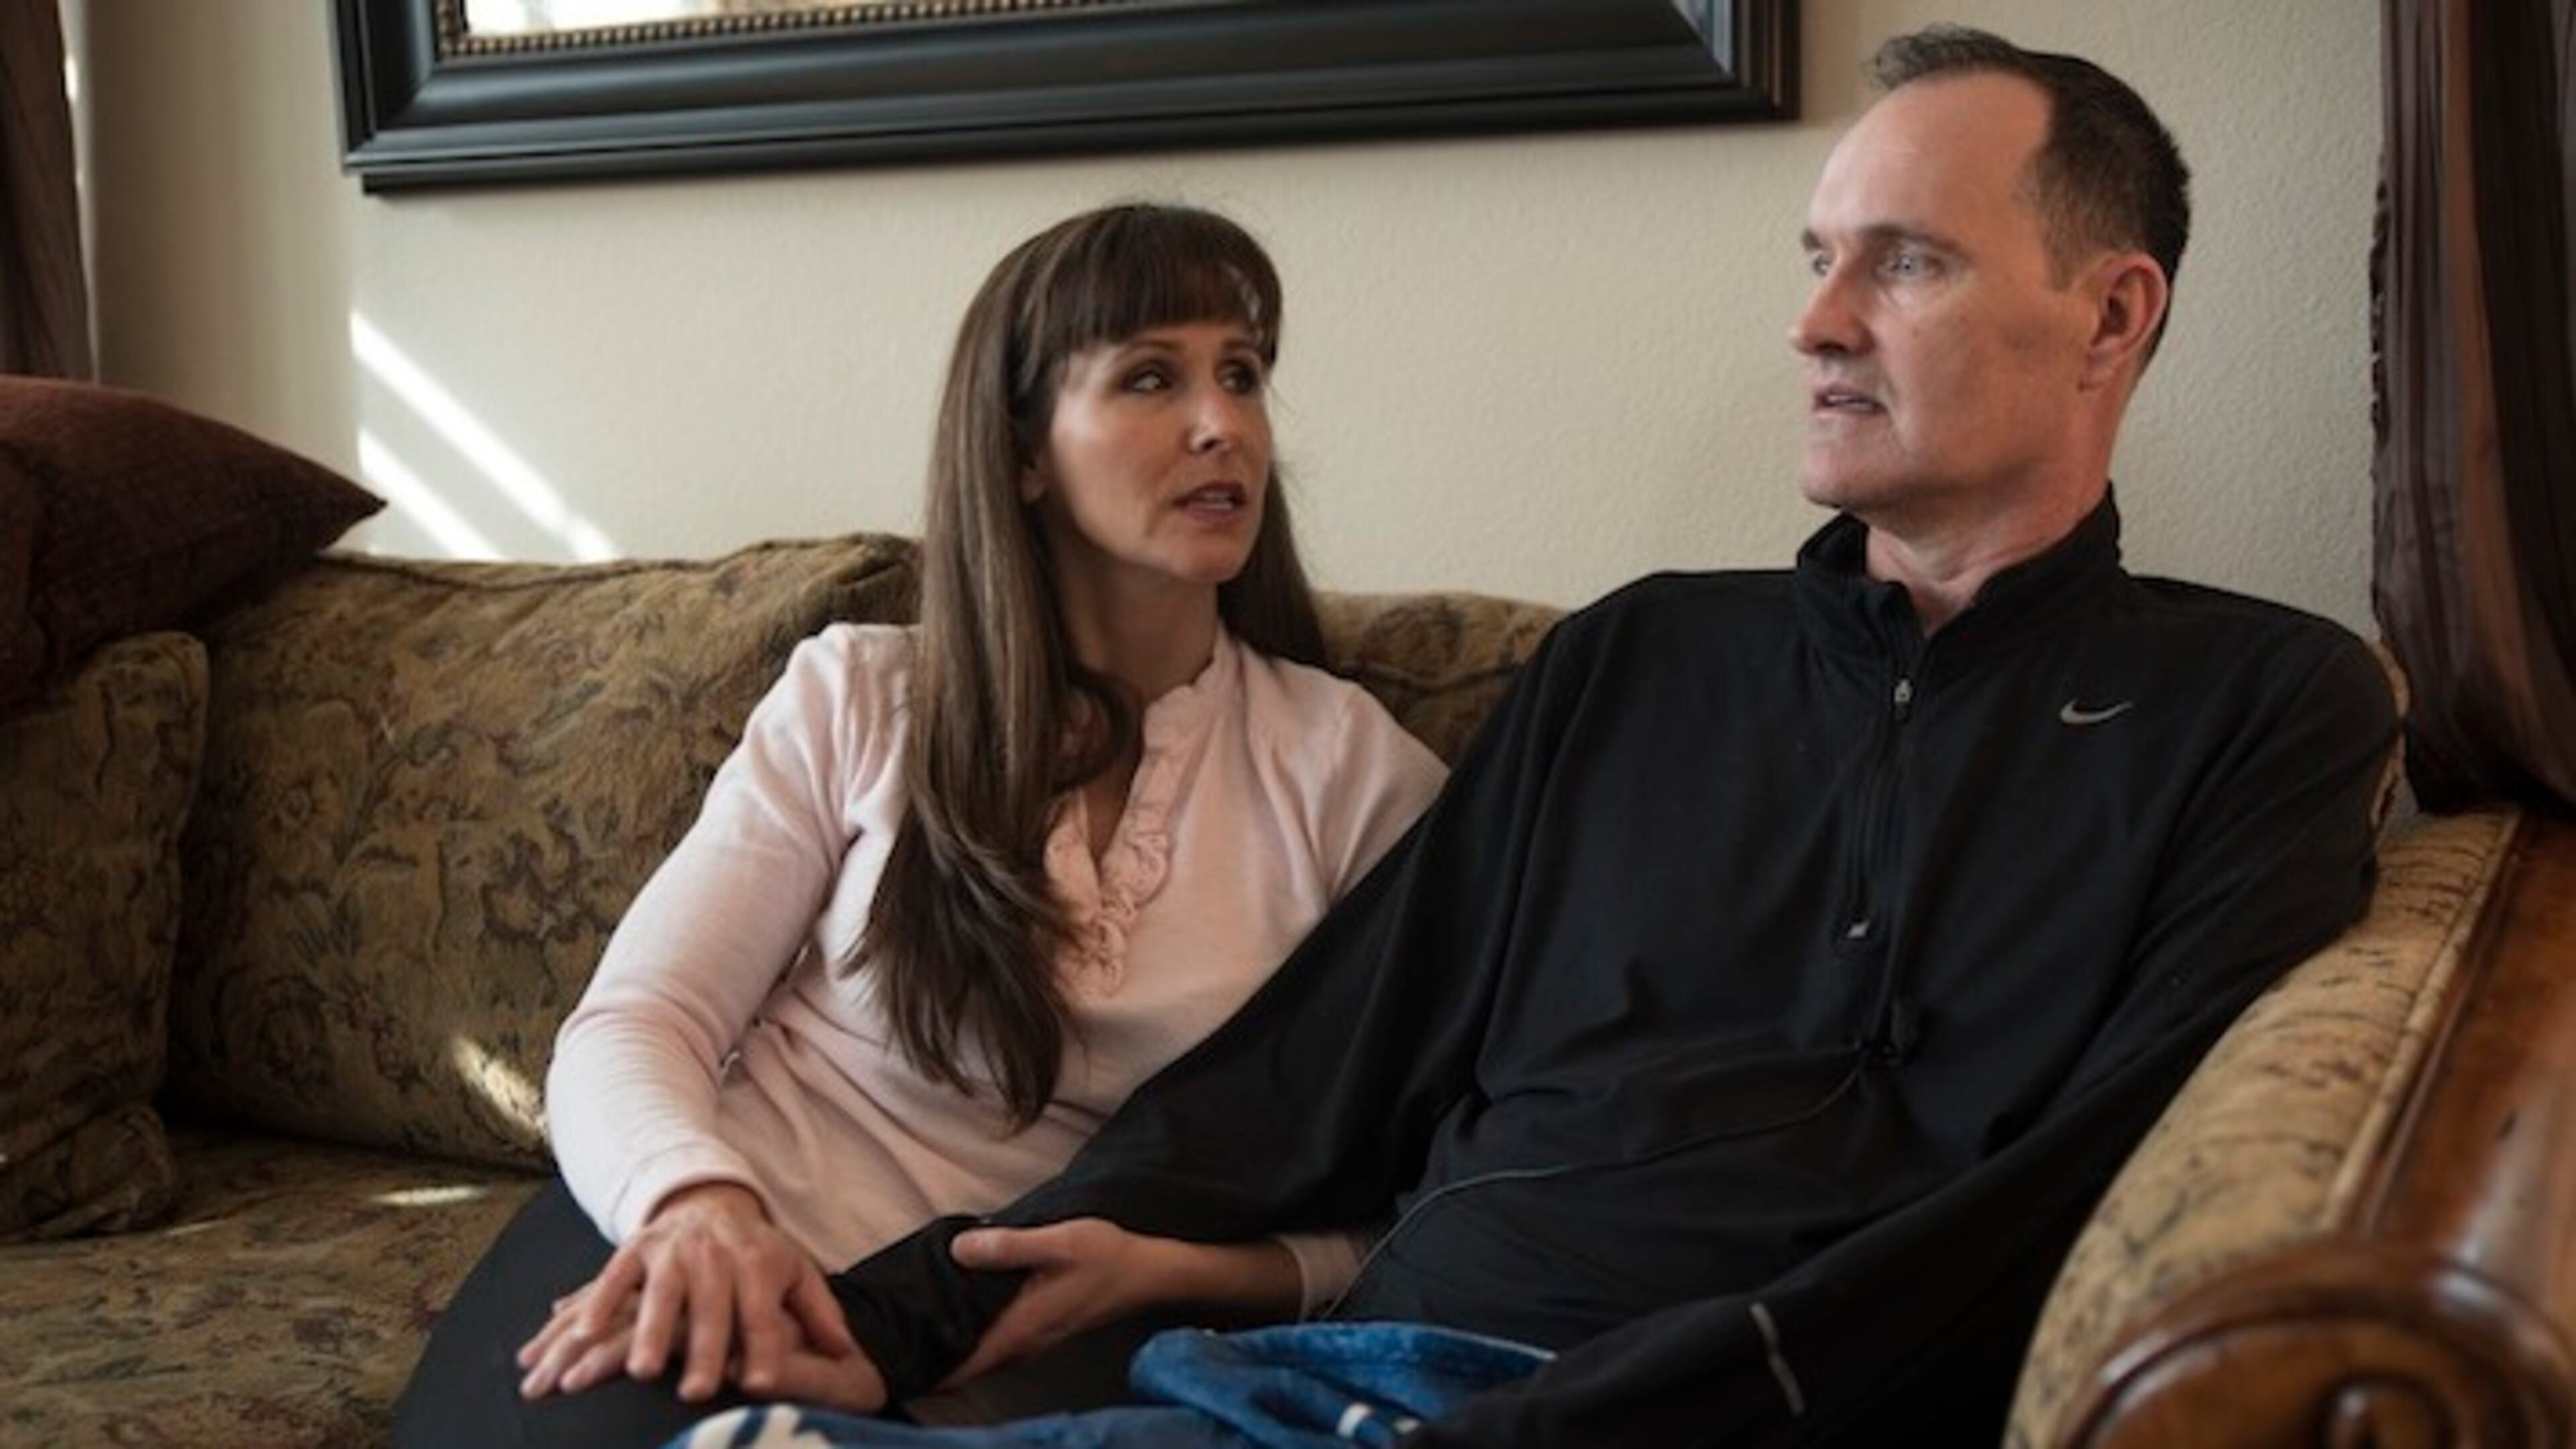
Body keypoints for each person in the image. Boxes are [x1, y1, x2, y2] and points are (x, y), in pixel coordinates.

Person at [667, 26, 2402, 1446]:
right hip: (1314, 1394)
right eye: (1818, 262)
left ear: (2113, 314)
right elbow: (1316, 1066)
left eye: (1910, 264)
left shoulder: (2261, 704)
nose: (1814, 322)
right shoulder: (1639, 658)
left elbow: (2094, 1180)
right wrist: (892, 1321)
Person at [389, 202, 1448, 1446]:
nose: (1224, 425)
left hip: (1011, 1351)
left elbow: (1430, 1197)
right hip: (709, 1247)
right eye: (1153, 377)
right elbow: (638, 1023)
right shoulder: (860, 696)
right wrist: (699, 1208)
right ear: (1021, 454)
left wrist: (1175, 1274)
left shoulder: (1355, 776)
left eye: (1244, 374)